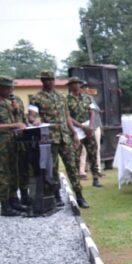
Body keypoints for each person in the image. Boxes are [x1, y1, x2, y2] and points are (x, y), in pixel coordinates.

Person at [29, 70, 89, 208]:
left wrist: (74, 133)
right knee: (53, 168)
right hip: (49, 138)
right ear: (42, 81)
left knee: (72, 167)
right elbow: (31, 116)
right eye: (47, 79)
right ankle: (56, 195)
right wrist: (35, 119)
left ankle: (79, 196)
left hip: (64, 136)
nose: (50, 82)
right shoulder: (36, 98)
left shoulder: (61, 97)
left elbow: (67, 116)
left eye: (52, 79)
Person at [0, 75, 29, 216]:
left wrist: (17, 111)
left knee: (13, 173)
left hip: (12, 144)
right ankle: (5, 206)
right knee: (3, 175)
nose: (10, 90)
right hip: (1, 147)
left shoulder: (8, 102)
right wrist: (13, 125)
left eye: (11, 87)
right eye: (7, 88)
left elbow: (18, 121)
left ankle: (14, 201)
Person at [66, 77, 102, 187]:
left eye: (78, 83)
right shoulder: (66, 100)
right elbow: (68, 117)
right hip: (76, 130)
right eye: (74, 84)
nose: (76, 85)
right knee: (76, 155)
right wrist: (82, 127)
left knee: (93, 153)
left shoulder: (87, 98)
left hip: (88, 127)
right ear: (70, 86)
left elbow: (92, 112)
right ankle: (77, 178)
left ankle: (95, 178)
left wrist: (90, 126)